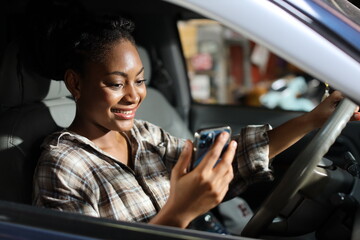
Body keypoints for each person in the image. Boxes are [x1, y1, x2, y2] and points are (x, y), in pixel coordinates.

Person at [32, 14, 360, 229]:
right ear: (75, 84)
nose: (134, 96)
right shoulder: (63, 166)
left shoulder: (146, 136)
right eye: (117, 84)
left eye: (141, 81)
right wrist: (181, 212)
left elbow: (229, 158)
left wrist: (313, 119)